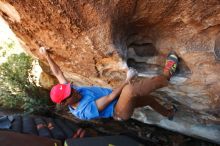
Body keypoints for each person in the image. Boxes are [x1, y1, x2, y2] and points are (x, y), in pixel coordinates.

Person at [39, 47, 178, 121]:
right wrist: (127, 78)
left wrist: (46, 56)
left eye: (70, 88)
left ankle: (168, 113)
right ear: (65, 102)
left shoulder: (71, 93)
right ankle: (167, 75)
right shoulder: (84, 111)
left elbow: (58, 74)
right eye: (70, 93)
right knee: (129, 90)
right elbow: (110, 97)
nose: (74, 90)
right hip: (119, 110)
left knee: (149, 100)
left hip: (117, 100)